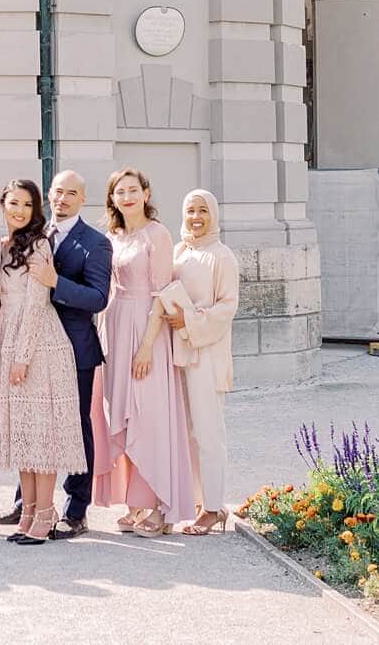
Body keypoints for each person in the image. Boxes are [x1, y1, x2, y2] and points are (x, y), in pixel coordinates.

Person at [0, 170, 113, 539]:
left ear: (83, 198)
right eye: (57, 192)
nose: (62, 199)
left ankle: (75, 510)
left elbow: (98, 297)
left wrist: (56, 283)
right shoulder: (34, 235)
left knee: (74, 427)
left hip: (74, 345)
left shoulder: (94, 242)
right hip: (31, 345)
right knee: (31, 426)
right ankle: (27, 506)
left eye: (71, 194)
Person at [92, 167, 193, 534]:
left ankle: (157, 503)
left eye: (133, 189)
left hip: (146, 327)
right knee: (118, 410)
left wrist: (148, 345)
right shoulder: (113, 236)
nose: (127, 196)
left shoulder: (158, 234)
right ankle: (136, 501)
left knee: (148, 414)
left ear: (146, 193)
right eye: (120, 191)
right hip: (114, 325)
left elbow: (162, 294)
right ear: (112, 198)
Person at [0, 178, 86, 546]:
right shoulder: (5, 247)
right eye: (13, 203)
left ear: (36, 210)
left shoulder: (38, 245)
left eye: (27, 205)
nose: (19, 211)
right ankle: (29, 510)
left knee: (41, 432)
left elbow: (35, 304)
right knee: (24, 433)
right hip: (7, 339)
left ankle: (45, 513)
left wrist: (22, 357)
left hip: (38, 345)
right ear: (2, 205)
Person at [155, 189, 239, 534]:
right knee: (184, 432)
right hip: (177, 352)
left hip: (206, 352)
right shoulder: (177, 252)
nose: (196, 217)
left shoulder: (222, 256)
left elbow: (227, 307)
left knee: (207, 432)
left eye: (203, 210)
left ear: (213, 215)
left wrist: (189, 322)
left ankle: (215, 506)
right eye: (190, 210)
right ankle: (193, 500)